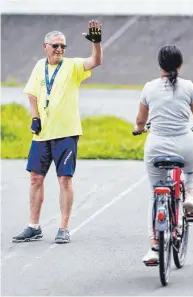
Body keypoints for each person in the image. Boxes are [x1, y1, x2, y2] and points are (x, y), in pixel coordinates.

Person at [12, 20, 103, 244]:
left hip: (66, 133)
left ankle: (64, 226)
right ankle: (33, 226)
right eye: (55, 46)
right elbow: (32, 94)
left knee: (64, 179)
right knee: (35, 178)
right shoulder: (39, 67)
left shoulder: (72, 66)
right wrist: (35, 117)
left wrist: (96, 43)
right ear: (45, 47)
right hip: (42, 134)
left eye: (63, 46)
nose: (59, 49)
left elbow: (95, 61)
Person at [133, 45, 193, 264]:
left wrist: (140, 129)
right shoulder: (188, 86)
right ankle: (189, 197)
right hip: (184, 144)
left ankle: (154, 245)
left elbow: (141, 120)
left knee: (155, 192)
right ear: (180, 64)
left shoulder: (149, 88)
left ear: (160, 65)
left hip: (156, 147)